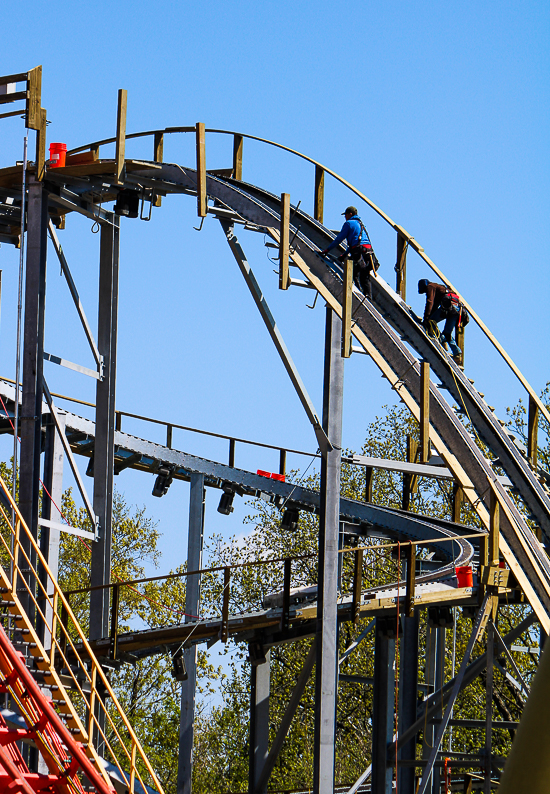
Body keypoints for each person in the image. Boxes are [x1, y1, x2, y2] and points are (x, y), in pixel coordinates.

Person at [320, 206, 378, 299]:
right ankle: (368, 297)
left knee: (353, 273)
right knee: (365, 275)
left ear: (350, 214)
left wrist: (328, 249)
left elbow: (339, 239)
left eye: (345, 215)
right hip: (368, 252)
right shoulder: (361, 224)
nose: (345, 217)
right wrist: (345, 254)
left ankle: (358, 294)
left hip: (358, 252)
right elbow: (357, 242)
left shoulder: (348, 224)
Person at [418, 278, 464, 365]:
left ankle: (442, 341)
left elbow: (430, 302)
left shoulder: (430, 286)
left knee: (431, 322)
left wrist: (426, 318)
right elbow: (435, 305)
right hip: (457, 309)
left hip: (448, 307)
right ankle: (457, 354)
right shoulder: (440, 288)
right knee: (447, 333)